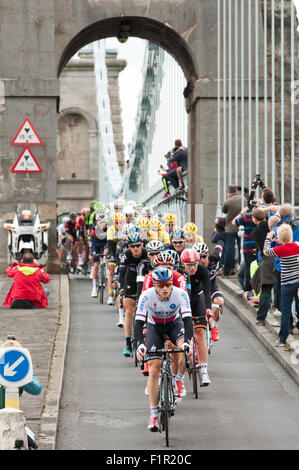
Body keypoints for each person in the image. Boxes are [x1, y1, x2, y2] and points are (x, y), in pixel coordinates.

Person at [135, 267, 193, 432]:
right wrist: (140, 344)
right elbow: (138, 323)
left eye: (168, 284)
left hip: (175, 324)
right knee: (154, 368)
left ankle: (178, 380)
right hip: (155, 327)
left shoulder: (180, 293)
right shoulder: (146, 296)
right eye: (161, 286)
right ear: (154, 286)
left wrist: (187, 342)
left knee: (183, 349)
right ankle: (153, 415)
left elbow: (188, 320)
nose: (165, 288)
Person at [263, 223, 299, 346]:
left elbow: (266, 251)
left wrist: (268, 238)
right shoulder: (297, 246)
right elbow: (289, 245)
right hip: (297, 282)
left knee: (286, 310)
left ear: (280, 237)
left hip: (286, 284)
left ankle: (282, 339)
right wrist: (279, 241)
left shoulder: (279, 250)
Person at [180, 248, 212, 386]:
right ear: (182, 264)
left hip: (197, 300)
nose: (192, 268)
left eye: (195, 264)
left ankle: (204, 371)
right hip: (183, 301)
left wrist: (208, 310)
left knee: (200, 333)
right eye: (189, 265)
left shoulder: (203, 270)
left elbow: (207, 290)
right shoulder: (178, 273)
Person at [118, 231, 148, 357]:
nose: (135, 248)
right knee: (129, 310)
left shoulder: (147, 254)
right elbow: (121, 273)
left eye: (137, 245)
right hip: (130, 281)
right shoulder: (126, 255)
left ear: (142, 245)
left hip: (144, 280)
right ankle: (128, 343)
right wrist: (121, 289)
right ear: (129, 246)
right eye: (132, 246)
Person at [194, 241, 224, 341]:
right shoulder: (193, 266)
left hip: (211, 286)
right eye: (199, 257)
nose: (202, 260)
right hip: (198, 287)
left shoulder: (215, 258)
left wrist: (219, 236)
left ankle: (214, 326)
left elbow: (220, 246)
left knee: (219, 302)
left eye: (204, 256)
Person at [250, 208, 276, 325]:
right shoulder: (272, 227)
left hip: (266, 261)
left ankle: (261, 317)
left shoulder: (255, 233)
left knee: (265, 289)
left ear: (254, 219)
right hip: (279, 258)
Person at [232, 207, 257, 300]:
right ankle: (255, 289)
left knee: (248, 268)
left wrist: (241, 213)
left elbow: (234, 222)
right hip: (257, 247)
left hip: (247, 247)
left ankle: (247, 289)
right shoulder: (261, 217)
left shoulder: (246, 218)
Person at [222, 186, 247, 276]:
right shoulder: (243, 199)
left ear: (229, 193)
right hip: (242, 226)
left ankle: (228, 269)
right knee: (242, 248)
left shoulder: (228, 201)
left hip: (230, 227)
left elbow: (223, 210)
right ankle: (242, 267)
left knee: (229, 249)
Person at [90, 213, 108, 298]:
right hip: (96, 245)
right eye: (100, 222)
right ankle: (94, 287)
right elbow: (92, 242)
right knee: (96, 266)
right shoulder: (94, 228)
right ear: (96, 222)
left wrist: (107, 248)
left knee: (108, 260)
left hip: (105, 244)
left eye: (104, 222)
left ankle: (106, 276)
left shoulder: (109, 228)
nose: (102, 224)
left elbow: (110, 240)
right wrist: (92, 252)